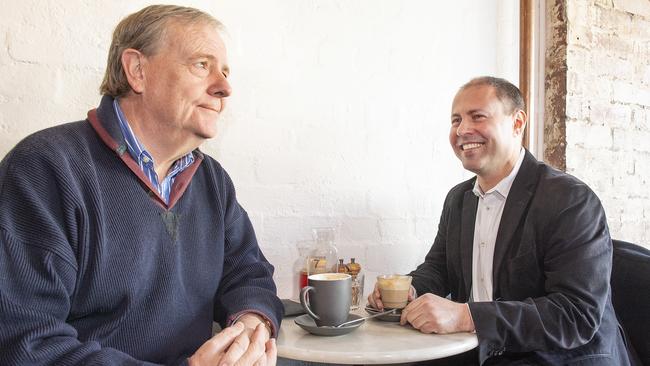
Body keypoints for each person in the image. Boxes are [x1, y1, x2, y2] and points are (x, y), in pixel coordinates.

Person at [0, 5, 282, 366]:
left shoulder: (212, 180)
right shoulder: (44, 169)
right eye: (202, 65)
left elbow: (248, 271)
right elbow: (24, 342)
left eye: (225, 72)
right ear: (137, 70)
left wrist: (250, 325)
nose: (224, 87)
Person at [368, 76, 632, 365]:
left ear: (517, 123)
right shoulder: (459, 199)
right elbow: (439, 269)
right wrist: (409, 289)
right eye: (455, 120)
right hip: (483, 351)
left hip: (558, 357)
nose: (462, 130)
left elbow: (574, 315)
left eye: (477, 117)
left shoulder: (570, 200)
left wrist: (467, 316)